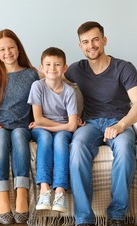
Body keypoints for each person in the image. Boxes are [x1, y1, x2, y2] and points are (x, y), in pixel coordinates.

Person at [65, 21, 137, 226]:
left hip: (118, 122)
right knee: (78, 146)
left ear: (104, 40)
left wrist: (121, 126)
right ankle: (85, 222)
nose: (91, 45)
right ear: (80, 45)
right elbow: (50, 76)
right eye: (85, 42)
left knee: (124, 148)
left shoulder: (124, 67)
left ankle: (117, 217)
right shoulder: (76, 69)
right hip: (91, 124)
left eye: (95, 39)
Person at [0, 29, 39, 225]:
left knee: (17, 137)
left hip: (22, 126)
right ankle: (2, 196)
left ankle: (22, 192)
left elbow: (50, 84)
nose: (7, 53)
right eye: (2, 49)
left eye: (11, 47)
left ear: (18, 48)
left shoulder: (31, 74)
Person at [28, 47, 79, 213]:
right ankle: (44, 190)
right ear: (41, 67)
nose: (52, 68)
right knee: (46, 138)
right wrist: (44, 125)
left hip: (61, 130)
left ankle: (60, 191)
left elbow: (72, 127)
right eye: (48, 64)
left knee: (60, 141)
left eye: (57, 64)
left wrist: (46, 125)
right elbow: (38, 119)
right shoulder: (37, 86)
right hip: (42, 130)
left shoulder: (69, 92)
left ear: (65, 68)